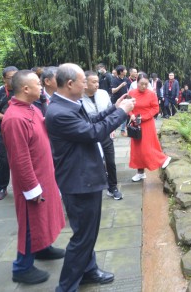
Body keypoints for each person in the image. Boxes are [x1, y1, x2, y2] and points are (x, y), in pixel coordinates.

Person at [45, 63, 135, 292]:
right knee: (82, 237)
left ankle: (88, 270)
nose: (87, 84)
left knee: (88, 232)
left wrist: (113, 108)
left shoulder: (68, 104)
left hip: (84, 178)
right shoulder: (60, 112)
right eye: (83, 81)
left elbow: (91, 122)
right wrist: (122, 113)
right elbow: (94, 133)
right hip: (79, 181)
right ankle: (66, 287)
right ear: (70, 84)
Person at [1, 70, 66, 285]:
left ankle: (43, 248)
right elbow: (19, 159)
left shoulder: (32, 109)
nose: (42, 86)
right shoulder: (14, 119)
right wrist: (32, 187)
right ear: (25, 89)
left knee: (44, 216)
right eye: (37, 84)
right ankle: (22, 267)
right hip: (33, 180)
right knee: (31, 222)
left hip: (45, 174)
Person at [82, 71, 122, 200]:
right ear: (84, 83)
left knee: (110, 161)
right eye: (93, 82)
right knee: (94, 162)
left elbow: (110, 109)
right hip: (89, 135)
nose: (97, 84)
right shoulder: (78, 98)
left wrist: (112, 128)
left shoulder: (103, 94)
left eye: (97, 81)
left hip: (105, 133)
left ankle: (113, 187)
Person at [128, 73, 170, 182]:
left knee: (147, 148)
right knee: (137, 150)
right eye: (141, 84)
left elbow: (155, 109)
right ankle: (140, 172)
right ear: (136, 83)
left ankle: (163, 159)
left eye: (146, 84)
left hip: (147, 124)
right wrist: (131, 115)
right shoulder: (131, 93)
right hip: (135, 124)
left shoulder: (151, 94)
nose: (143, 86)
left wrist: (143, 117)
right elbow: (127, 106)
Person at [0, 66, 18, 200]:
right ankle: (2, 187)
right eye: (10, 78)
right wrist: (8, 117)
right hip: (5, 130)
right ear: (3, 79)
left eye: (15, 77)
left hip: (23, 129)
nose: (13, 80)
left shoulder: (23, 89)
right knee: (4, 160)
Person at [110, 65, 128, 136]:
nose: (126, 71)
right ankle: (112, 131)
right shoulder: (114, 79)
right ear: (121, 72)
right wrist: (121, 85)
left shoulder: (126, 79)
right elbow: (113, 91)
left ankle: (123, 130)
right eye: (125, 70)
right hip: (116, 101)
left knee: (125, 115)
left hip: (125, 100)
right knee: (115, 116)